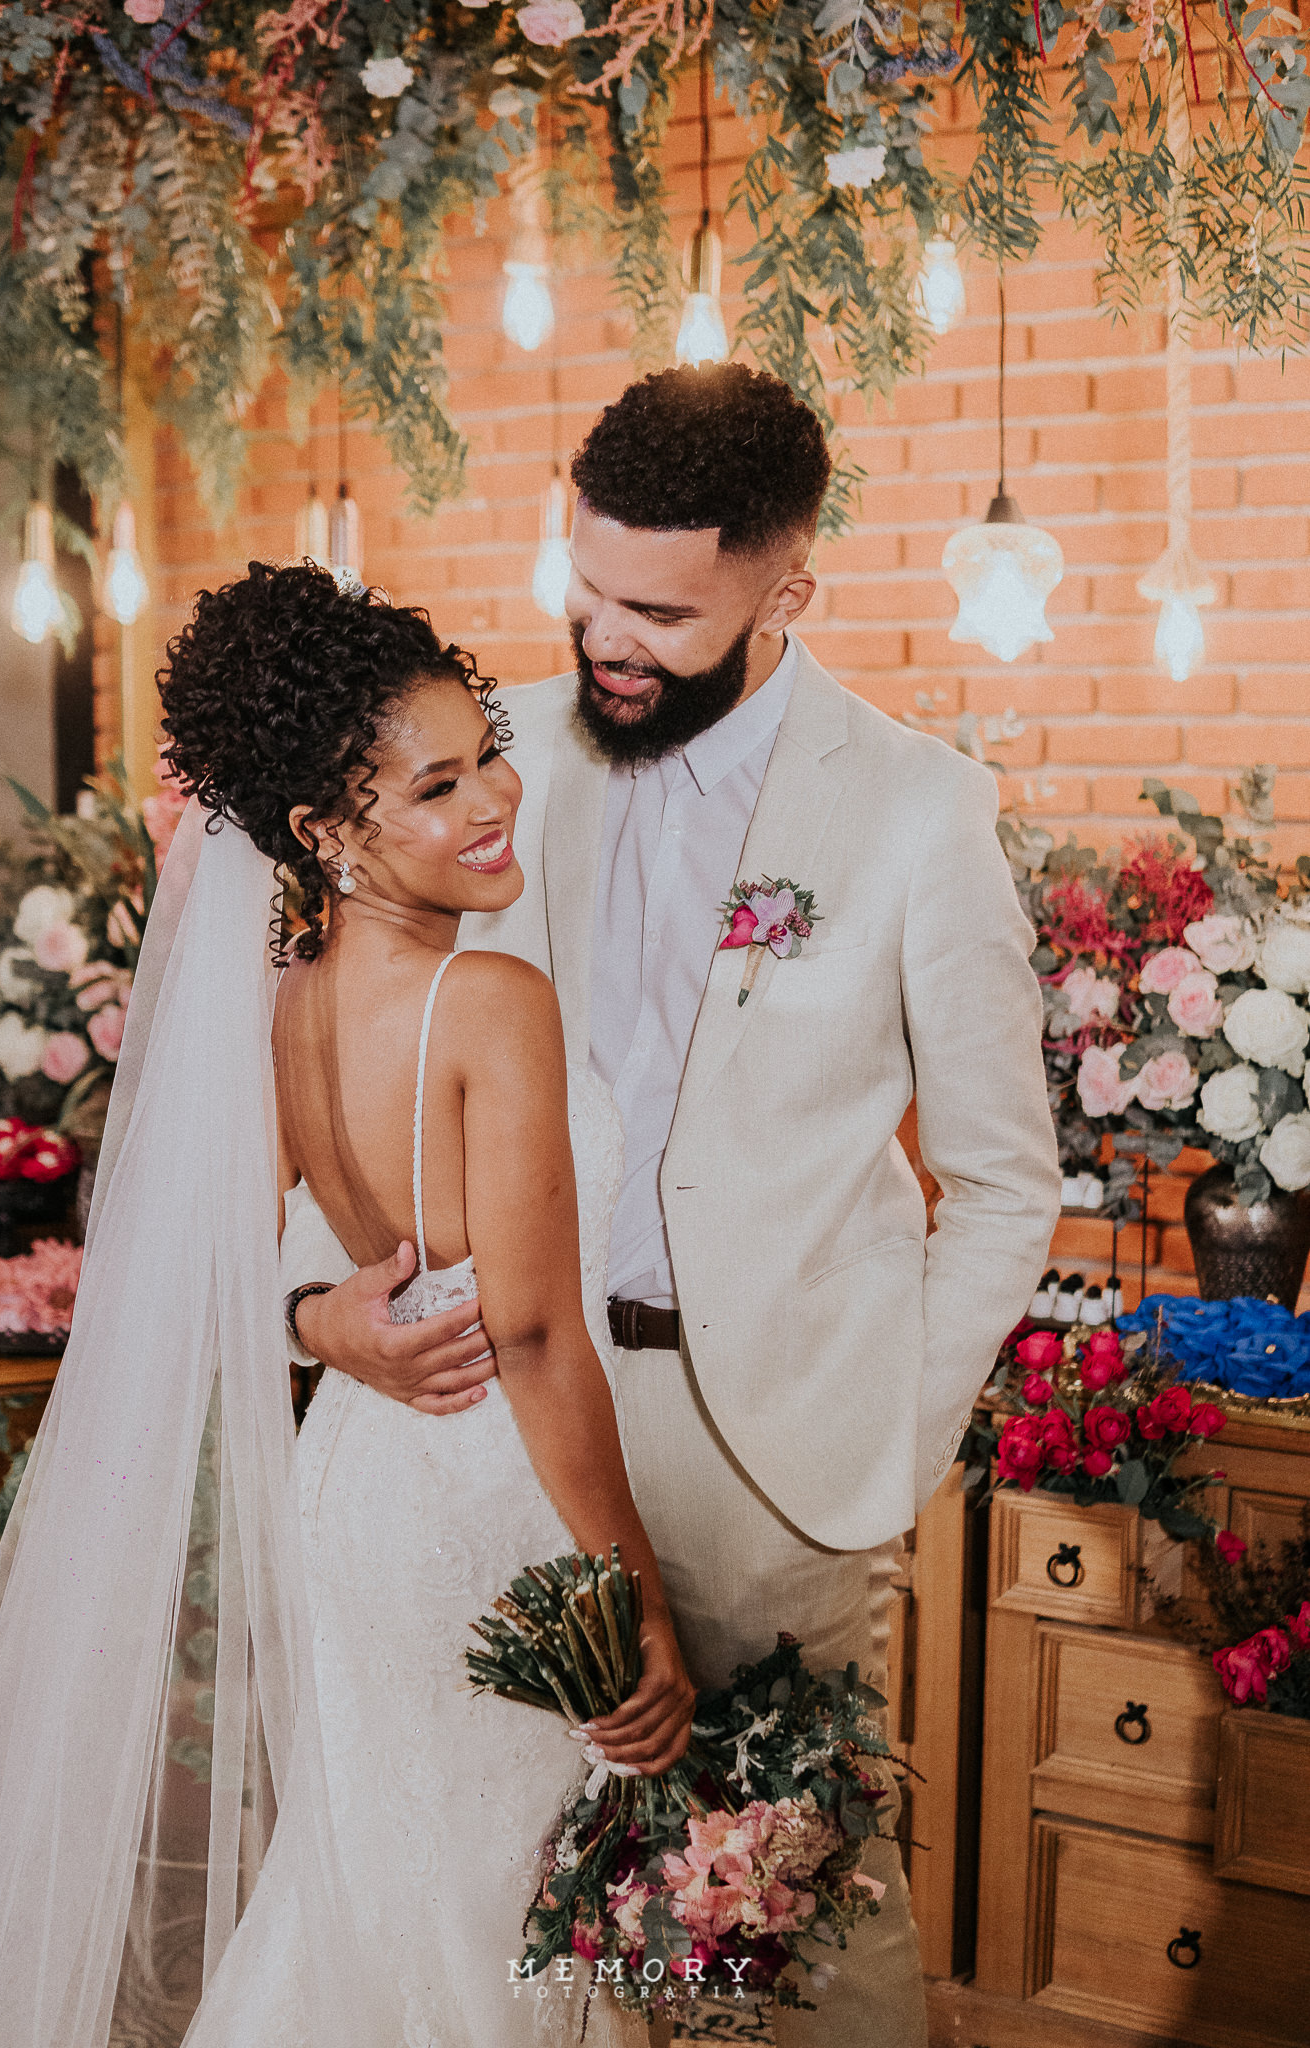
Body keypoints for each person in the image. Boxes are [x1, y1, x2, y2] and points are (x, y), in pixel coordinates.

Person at [283, 364, 1063, 2047]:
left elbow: (1007, 1180)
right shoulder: (480, 772)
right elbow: (357, 1040)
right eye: (586, 590)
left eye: (658, 612)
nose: (605, 639)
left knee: (797, 1910)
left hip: (776, 1450)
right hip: (502, 1433)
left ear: (786, 594)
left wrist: (887, 1425)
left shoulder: (914, 808)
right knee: (538, 1910)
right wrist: (313, 1310)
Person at [0, 566, 690, 2048]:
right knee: (497, 1912)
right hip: (492, 1493)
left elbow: (213, 1263)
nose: (495, 799)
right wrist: (640, 1602)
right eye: (436, 786)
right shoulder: (490, 1002)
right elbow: (536, 1338)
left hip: (355, 1496)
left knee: (380, 1881)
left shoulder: (283, 1000)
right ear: (323, 832)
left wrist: (313, 1324)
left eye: (487, 754)